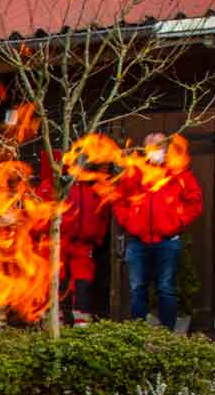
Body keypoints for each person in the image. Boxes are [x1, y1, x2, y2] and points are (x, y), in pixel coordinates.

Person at [112, 132, 203, 332]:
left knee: (166, 289)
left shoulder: (179, 173)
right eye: (151, 146)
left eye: (159, 146)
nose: (155, 151)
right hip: (137, 240)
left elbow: (195, 203)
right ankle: (138, 333)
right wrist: (129, 222)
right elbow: (119, 200)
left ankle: (166, 336)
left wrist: (177, 222)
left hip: (168, 240)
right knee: (137, 290)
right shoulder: (134, 173)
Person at [38, 151, 109, 327]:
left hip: (83, 244)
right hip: (58, 242)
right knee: (57, 281)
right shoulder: (54, 185)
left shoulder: (94, 188)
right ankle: (57, 320)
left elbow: (103, 216)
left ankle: (81, 322)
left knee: (83, 282)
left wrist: (97, 238)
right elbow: (38, 211)